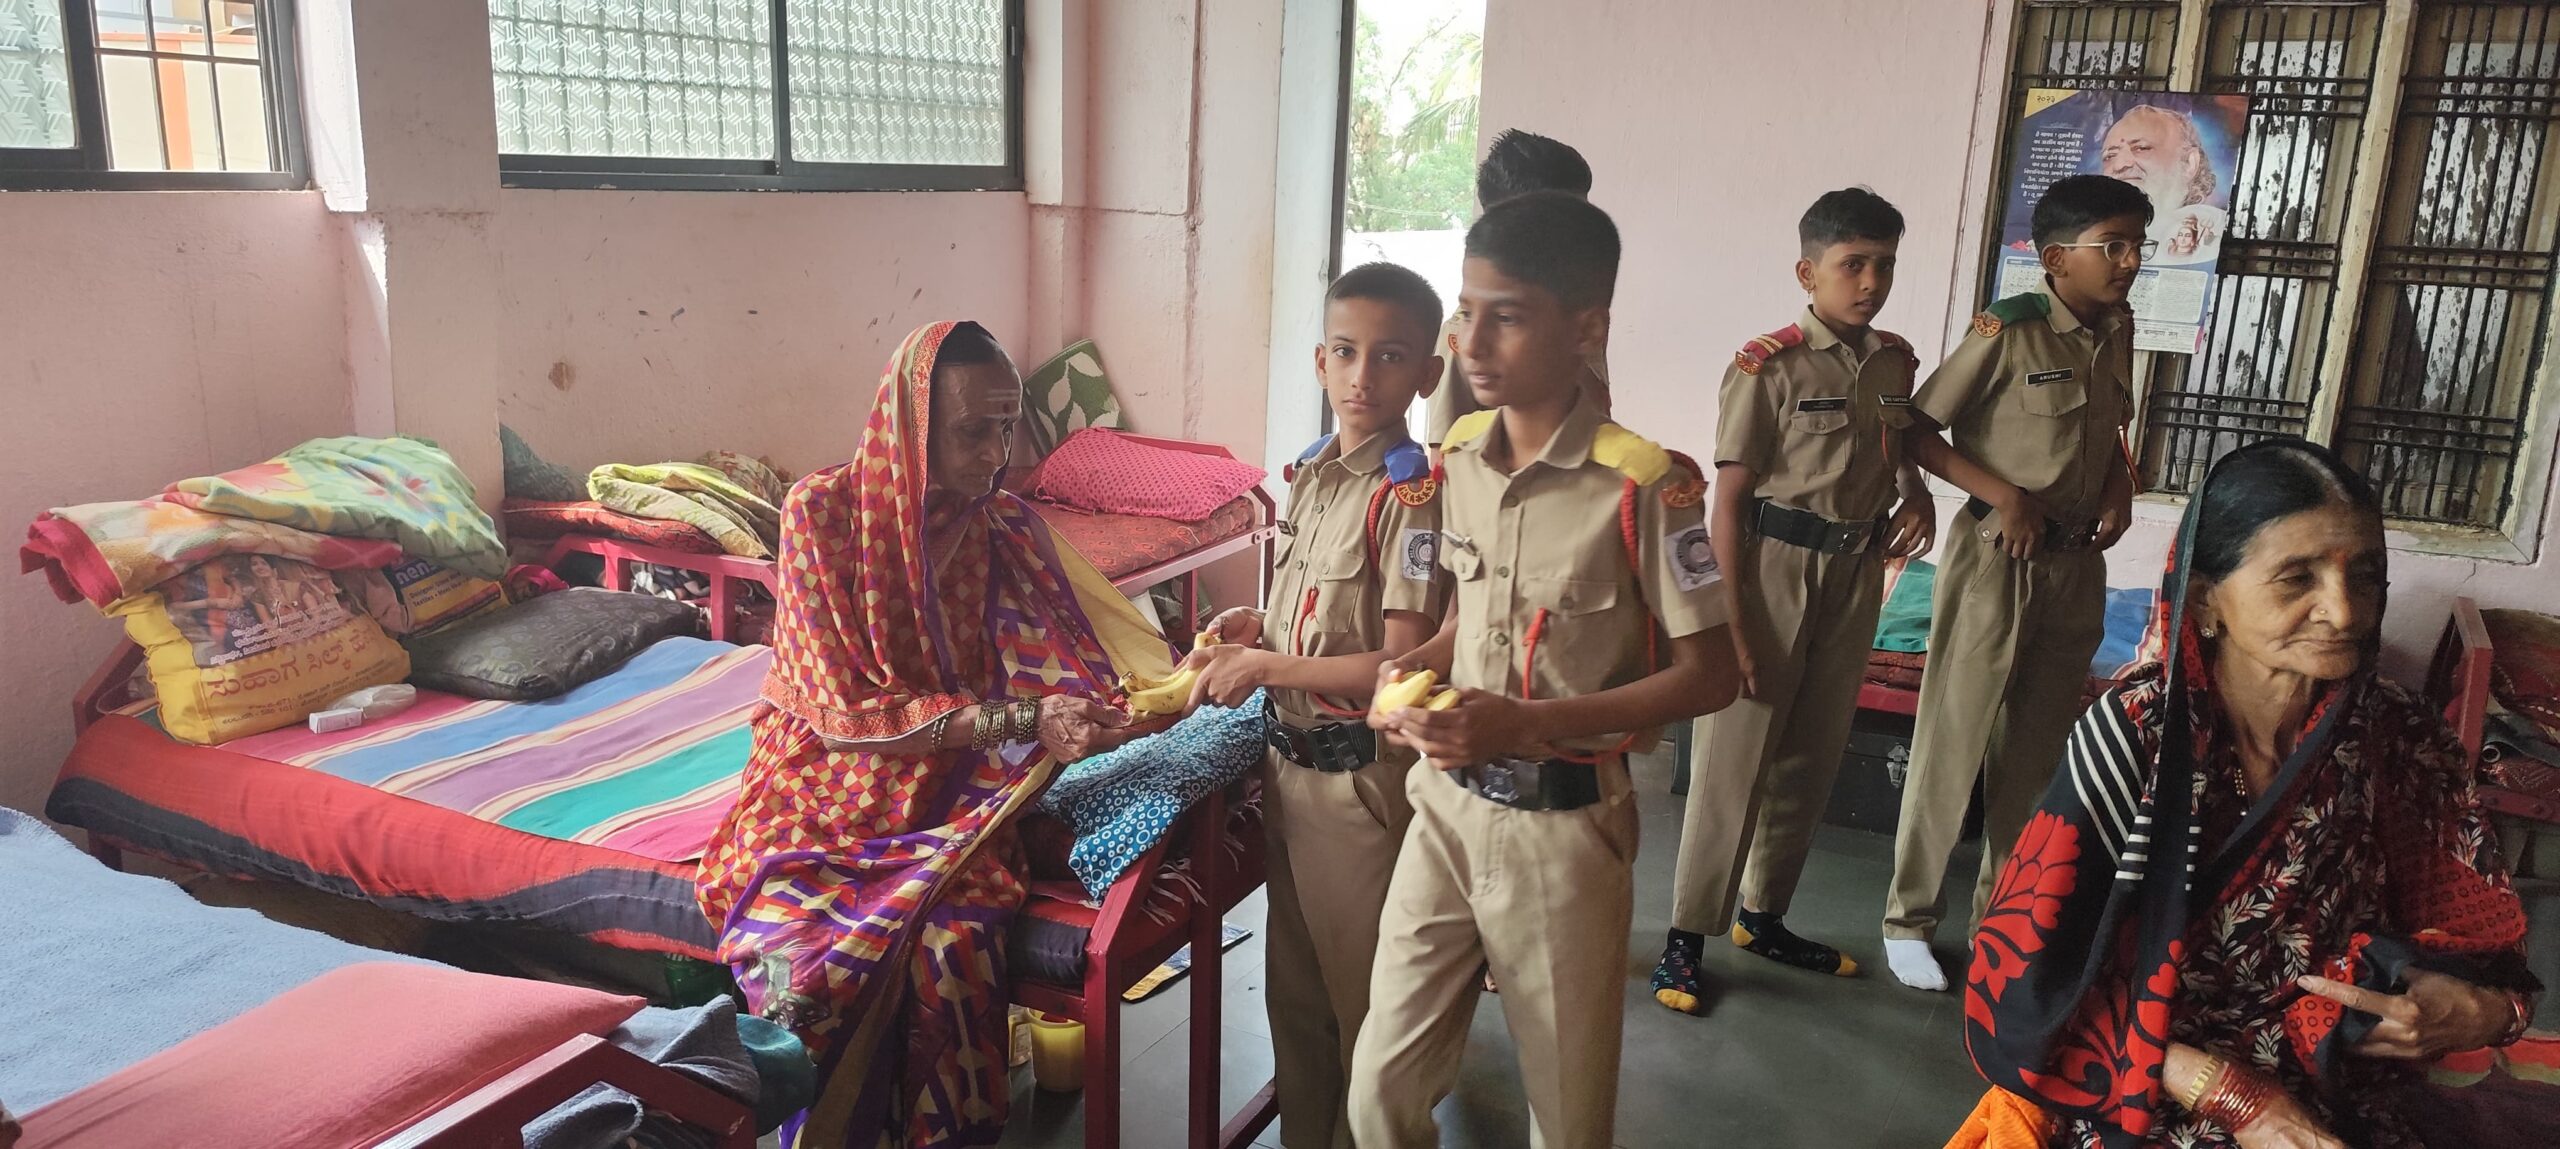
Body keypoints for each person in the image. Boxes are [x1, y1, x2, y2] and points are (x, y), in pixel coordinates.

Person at [1947, 438, 2539, 1149]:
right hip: (2155, 1082)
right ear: (2205, 600)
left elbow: (2488, 951)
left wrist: (2482, 1013)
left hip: (2341, 1077)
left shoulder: (2398, 735)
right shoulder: (2138, 737)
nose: (2343, 611)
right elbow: (2021, 992)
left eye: (2365, 576)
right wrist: (2238, 1100)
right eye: (2297, 578)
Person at [694, 320, 1172, 1149]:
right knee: (810, 956)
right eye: (971, 430)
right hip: (825, 775)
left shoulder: (997, 524)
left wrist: (1110, 706)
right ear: (909, 426)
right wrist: (1028, 719)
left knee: (958, 940)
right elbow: (846, 714)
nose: (995, 454)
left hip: (953, 775)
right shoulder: (823, 516)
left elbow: (1060, 648)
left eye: (1007, 427)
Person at [1349, 191, 1743, 1149]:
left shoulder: (1644, 486)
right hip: (1444, 813)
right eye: (1465, 311)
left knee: (1566, 1119)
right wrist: (1407, 676)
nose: (1472, 344)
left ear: (1586, 328)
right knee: (1379, 1094)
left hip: (1563, 834)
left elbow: (1713, 675)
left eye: (1508, 317)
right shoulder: (1459, 459)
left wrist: (1523, 724)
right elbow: (1467, 621)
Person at [1178, 262, 1451, 1149]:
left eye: (1390, 355)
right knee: (1294, 999)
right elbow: (1311, 617)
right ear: (1320, 360)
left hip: (1356, 785)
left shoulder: (1409, 493)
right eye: (1345, 351)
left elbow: (1401, 663)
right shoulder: (1311, 473)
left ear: (1428, 374)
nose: (1362, 375)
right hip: (1286, 769)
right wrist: (1252, 627)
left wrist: (1266, 664)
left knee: (1365, 1006)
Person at [1653, 187, 1937, 1013]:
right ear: (1808, 272)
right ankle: (1685, 936)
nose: (1872, 281)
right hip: (1771, 568)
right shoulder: (1767, 365)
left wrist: (1916, 490)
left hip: (1854, 571)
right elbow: (1727, 503)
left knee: (1812, 753)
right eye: (1854, 264)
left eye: (1885, 264)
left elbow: (1898, 443)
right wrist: (1730, 624)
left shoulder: (1894, 361)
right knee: (1734, 759)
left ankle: (1763, 916)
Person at [1883, 174, 2148, 993]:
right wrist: (2003, 496)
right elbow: (1917, 429)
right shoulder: (2009, 330)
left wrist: (2119, 488)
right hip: (1998, 557)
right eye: (2113, 246)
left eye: (2136, 245)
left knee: (2034, 755)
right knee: (1954, 740)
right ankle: (1908, 919)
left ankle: (2000, 922)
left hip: (2075, 565)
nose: (2130, 262)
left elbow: (2111, 430)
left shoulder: (2117, 329)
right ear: (2057, 258)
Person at [1425, 129, 1610, 454]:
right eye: (1566, 221)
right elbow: (1444, 460)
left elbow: (1598, 414)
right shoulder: (1462, 339)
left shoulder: (1578, 313)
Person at [2100, 104, 2227, 268]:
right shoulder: (2090, 234)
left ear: (2189, 163)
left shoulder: (2213, 229)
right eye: (2109, 156)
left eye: (2141, 148)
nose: (2120, 165)